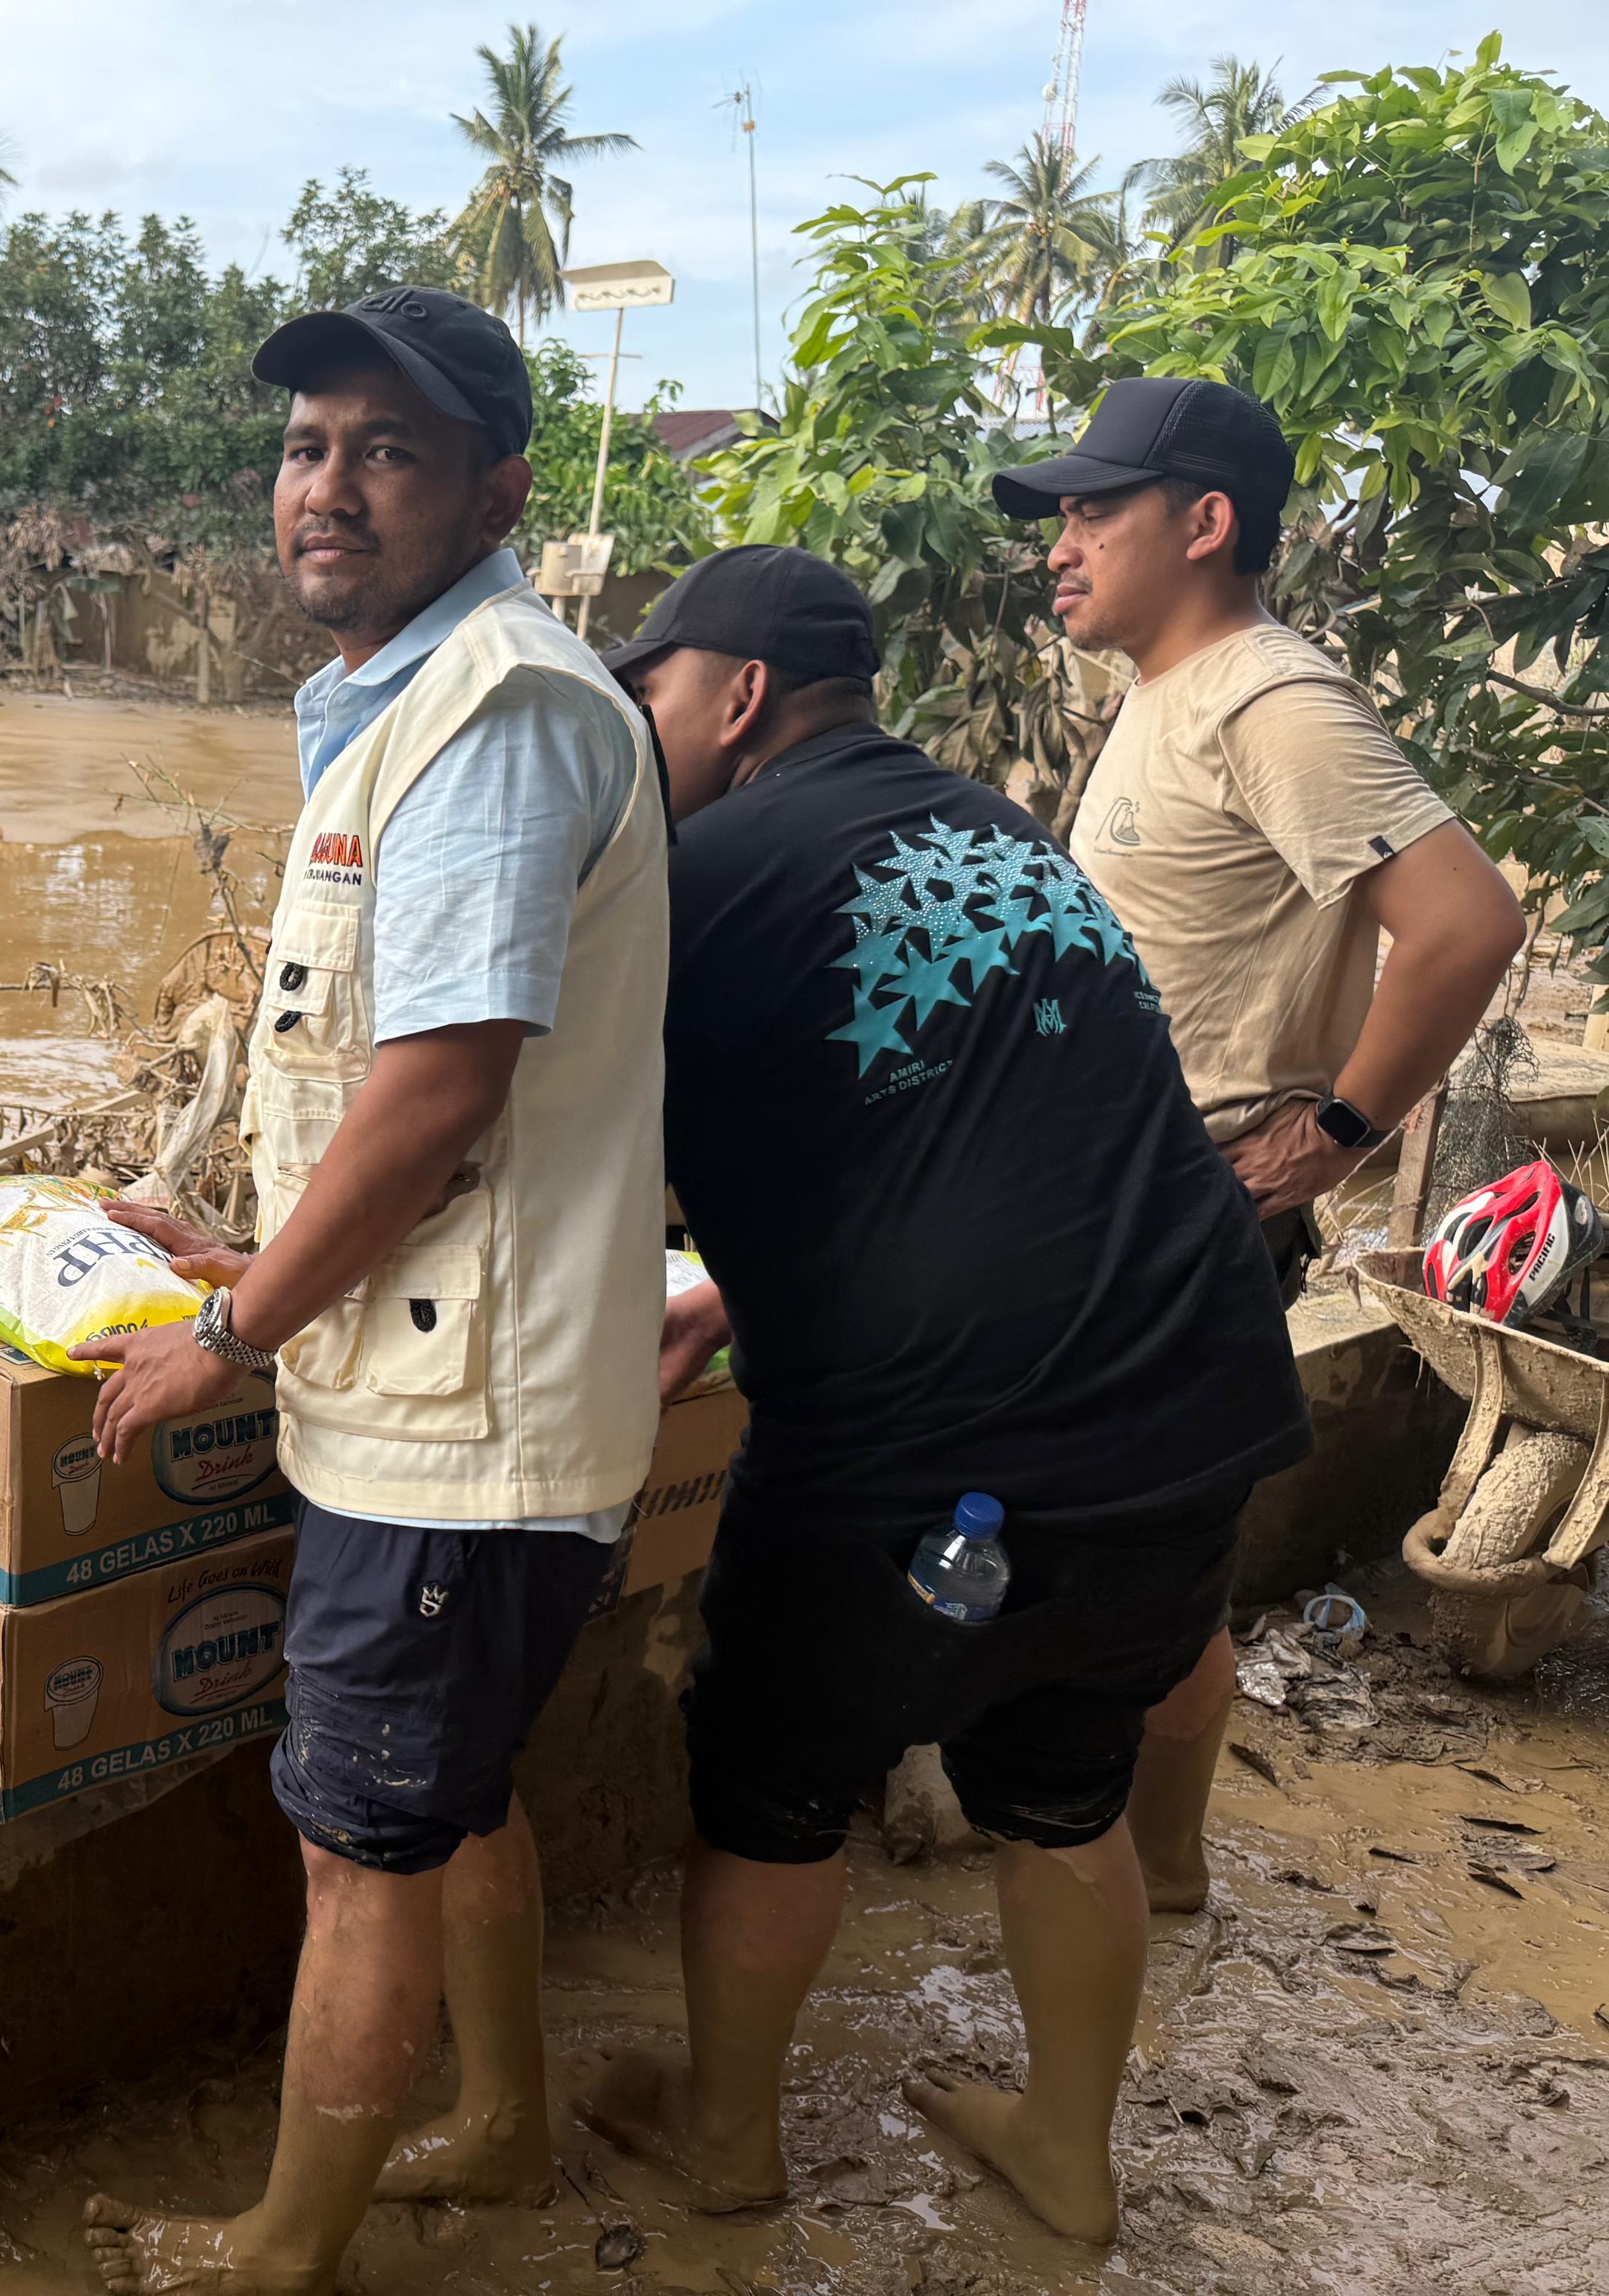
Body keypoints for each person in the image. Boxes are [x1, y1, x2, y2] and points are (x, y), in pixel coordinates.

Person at [589, 545, 1311, 2244]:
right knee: (1064, 1788)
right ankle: (1068, 2151)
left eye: (652, 690)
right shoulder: (1002, 837)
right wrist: (738, 1292)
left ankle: (724, 2139)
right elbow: (950, 1140)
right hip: (1190, 1407)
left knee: (768, 1780)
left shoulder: (699, 874)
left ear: (738, 695)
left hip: (929, 1448)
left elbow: (564, 1161)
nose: (637, 725)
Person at [70, 286, 668, 2296]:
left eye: (386, 450)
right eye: (311, 445)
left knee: (360, 1842)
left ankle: (282, 2252)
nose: (329, 485)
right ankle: (493, 2129)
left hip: (459, 1431)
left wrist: (224, 1337)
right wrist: (256, 1254)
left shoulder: (491, 708)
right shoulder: (406, 702)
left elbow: (437, 1098)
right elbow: (415, 1115)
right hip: (439, 1374)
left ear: (495, 486)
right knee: (444, 1799)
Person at [994, 378, 1526, 1912]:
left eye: (1095, 512)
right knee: (1134, 1557)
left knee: (1141, 1573)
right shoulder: (1172, 691)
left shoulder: (1268, 702)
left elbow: (1464, 924)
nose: (1060, 548)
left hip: (1182, 1215)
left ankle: (1144, 1875)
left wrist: (1336, 1132)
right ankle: (1145, 1859)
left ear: (1205, 522)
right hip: (1124, 1207)